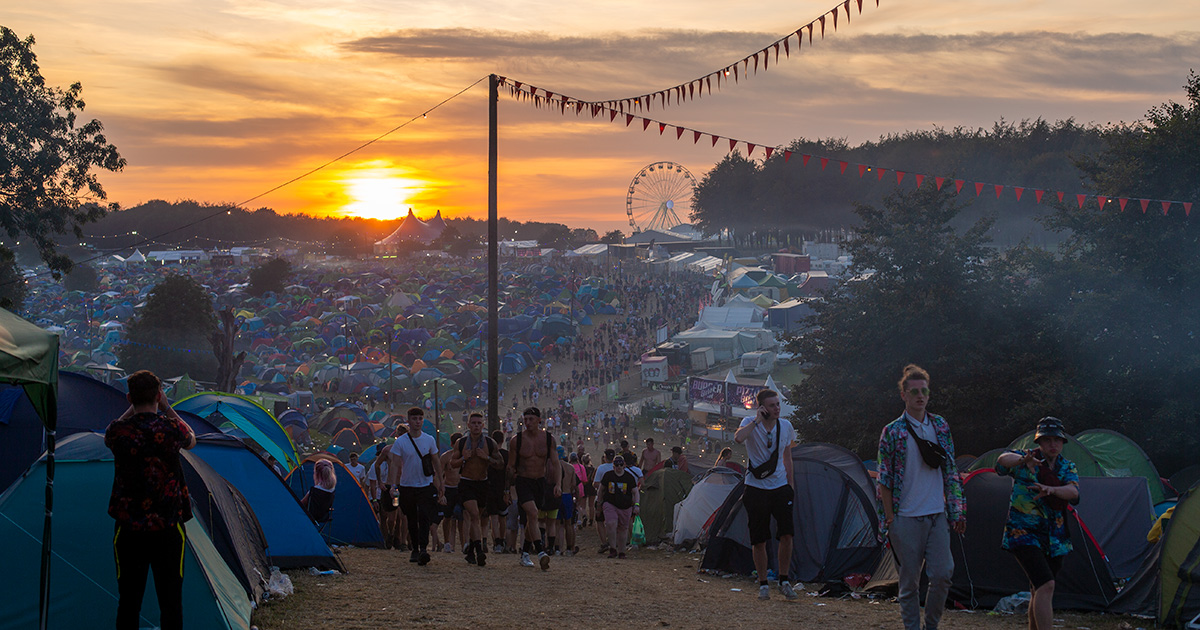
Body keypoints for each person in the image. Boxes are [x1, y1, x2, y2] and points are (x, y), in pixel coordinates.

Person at [105, 370, 197, 630]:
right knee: (171, 603)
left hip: (128, 529)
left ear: (129, 397)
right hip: (168, 528)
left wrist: (131, 408)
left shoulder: (119, 432)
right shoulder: (170, 430)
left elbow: (109, 433)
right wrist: (166, 407)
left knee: (129, 602)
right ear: (159, 395)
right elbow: (191, 439)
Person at [876, 364, 966, 630]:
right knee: (909, 582)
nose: (919, 395)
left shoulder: (940, 425)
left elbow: (950, 469)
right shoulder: (892, 431)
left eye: (923, 390)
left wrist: (957, 510)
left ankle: (931, 625)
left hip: (937, 513)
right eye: (913, 391)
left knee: (942, 574)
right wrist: (890, 519)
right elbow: (884, 478)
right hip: (905, 517)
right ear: (903, 395)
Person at [995, 417, 1080, 630]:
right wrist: (1023, 461)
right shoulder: (1026, 459)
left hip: (1055, 536)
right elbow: (1002, 461)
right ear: (1039, 443)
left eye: (1057, 440)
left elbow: (1074, 492)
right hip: (1023, 532)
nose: (1053, 444)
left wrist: (1051, 490)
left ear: (1062, 443)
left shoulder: (1067, 466)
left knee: (1038, 588)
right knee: (1047, 584)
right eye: (1047, 440)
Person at [733, 389, 798, 601]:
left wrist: (790, 484)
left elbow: (787, 456)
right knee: (759, 538)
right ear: (761, 407)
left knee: (787, 534)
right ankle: (763, 584)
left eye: (778, 404)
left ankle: (784, 579)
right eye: (771, 405)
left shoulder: (786, 426)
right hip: (756, 488)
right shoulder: (749, 422)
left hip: (780, 487)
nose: (777, 408)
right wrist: (757, 421)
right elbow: (738, 439)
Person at [387, 407, 446, 567]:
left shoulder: (429, 440)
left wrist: (441, 483)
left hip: (425, 485)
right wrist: (393, 486)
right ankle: (414, 548)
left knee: (424, 516)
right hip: (407, 486)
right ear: (409, 420)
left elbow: (436, 462)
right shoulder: (401, 442)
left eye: (420, 419)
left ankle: (423, 548)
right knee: (411, 518)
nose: (418, 422)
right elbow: (395, 465)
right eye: (414, 419)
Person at [507, 407, 561, 570]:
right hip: (523, 481)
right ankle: (540, 552)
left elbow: (556, 463)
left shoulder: (548, 439)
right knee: (532, 513)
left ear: (539, 420)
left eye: (531, 419)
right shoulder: (517, 440)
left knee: (533, 518)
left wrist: (558, 484)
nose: (527, 422)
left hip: (540, 482)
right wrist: (507, 489)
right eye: (525, 419)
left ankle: (524, 553)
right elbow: (510, 466)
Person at [449, 413, 503, 566]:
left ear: (483, 425)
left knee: (476, 518)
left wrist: (486, 458)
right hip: (466, 483)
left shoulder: (489, 443)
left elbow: (500, 463)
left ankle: (471, 552)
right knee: (473, 515)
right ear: (468, 425)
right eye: (473, 423)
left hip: (483, 484)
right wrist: (463, 458)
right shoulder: (461, 443)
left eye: (479, 423)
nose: (476, 426)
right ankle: (479, 551)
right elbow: (452, 463)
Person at [597, 455, 639, 559]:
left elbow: (635, 492)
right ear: (613, 465)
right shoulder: (608, 476)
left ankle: (621, 551)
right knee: (611, 524)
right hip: (610, 503)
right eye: (617, 464)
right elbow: (601, 490)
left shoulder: (629, 478)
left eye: (621, 464)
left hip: (625, 506)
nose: (619, 466)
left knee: (623, 529)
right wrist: (599, 503)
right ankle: (612, 549)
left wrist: (637, 505)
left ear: (624, 465)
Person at [487, 429, 510, 554]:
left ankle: (497, 543)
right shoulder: (507, 455)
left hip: (490, 488)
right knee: (503, 518)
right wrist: (507, 490)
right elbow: (510, 473)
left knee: (494, 518)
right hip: (502, 489)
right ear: (502, 440)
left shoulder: (488, 455)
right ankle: (502, 539)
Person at [299, 459, 337, 524]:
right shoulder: (332, 489)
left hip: (310, 519)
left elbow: (300, 505)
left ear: (317, 473)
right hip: (323, 517)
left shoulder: (315, 490)